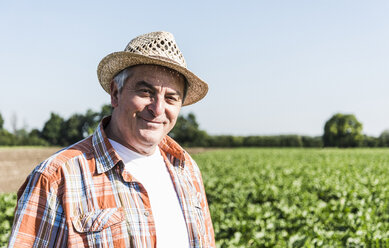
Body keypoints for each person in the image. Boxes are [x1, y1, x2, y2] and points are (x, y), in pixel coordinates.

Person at [8, 31, 215, 247]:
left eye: (171, 98)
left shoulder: (185, 168)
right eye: (145, 92)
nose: (158, 109)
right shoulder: (56, 177)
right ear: (115, 93)